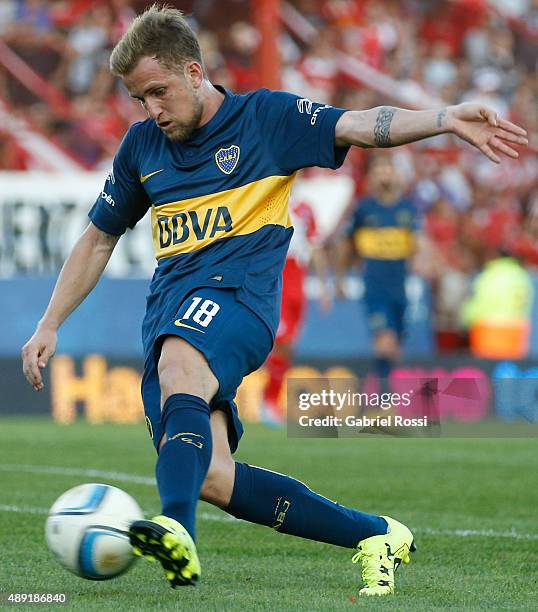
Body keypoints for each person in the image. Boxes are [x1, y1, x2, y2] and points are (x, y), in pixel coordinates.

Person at [21, 5, 527, 597]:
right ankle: (376, 534)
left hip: (241, 301)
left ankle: (175, 529)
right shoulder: (141, 148)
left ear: (193, 71)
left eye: (158, 92)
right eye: (139, 99)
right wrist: (50, 321)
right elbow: (99, 237)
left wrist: (443, 118)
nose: (152, 110)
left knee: (180, 365)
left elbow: (362, 124)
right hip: (170, 309)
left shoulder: (265, 118)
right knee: (211, 475)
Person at [337, 154, 421, 392]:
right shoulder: (363, 209)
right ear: (371, 176)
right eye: (379, 168)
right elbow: (346, 245)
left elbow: (417, 243)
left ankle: (384, 396)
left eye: (388, 168)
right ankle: (384, 400)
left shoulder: (407, 208)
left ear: (395, 174)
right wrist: (341, 277)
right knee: (385, 343)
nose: (384, 173)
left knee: (395, 346)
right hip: (375, 286)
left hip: (400, 286)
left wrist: (422, 263)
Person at [260, 196, 330, 426]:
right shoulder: (265, 198)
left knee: (288, 344)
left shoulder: (304, 207)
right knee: (278, 342)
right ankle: (267, 401)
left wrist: (323, 286)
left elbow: (316, 247)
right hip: (274, 274)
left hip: (297, 278)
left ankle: (270, 401)